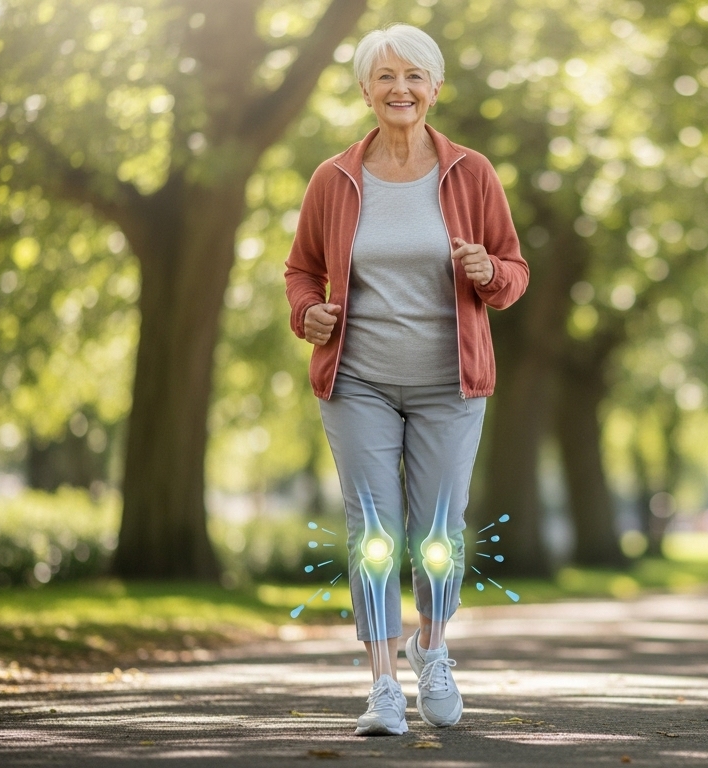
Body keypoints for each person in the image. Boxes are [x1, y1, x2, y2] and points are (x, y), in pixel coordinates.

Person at [283, 24, 528, 737]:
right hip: (357, 381)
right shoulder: (334, 178)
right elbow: (301, 269)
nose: (401, 89)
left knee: (441, 533)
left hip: (449, 385)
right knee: (374, 532)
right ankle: (383, 684)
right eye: (385, 77)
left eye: (414, 76)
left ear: (435, 89)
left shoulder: (470, 173)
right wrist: (309, 314)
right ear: (365, 91)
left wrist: (490, 274)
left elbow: (515, 271)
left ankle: (436, 650)